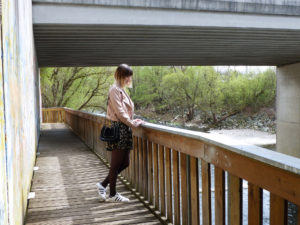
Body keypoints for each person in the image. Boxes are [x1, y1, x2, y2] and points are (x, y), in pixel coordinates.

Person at [96, 64, 144, 202]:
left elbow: (126, 112)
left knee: (125, 163)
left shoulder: (121, 90)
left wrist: (134, 120)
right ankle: (112, 194)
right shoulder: (114, 90)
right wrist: (131, 123)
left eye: (130, 76)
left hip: (125, 128)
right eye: (127, 76)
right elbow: (119, 112)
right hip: (119, 129)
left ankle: (103, 184)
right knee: (116, 164)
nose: (129, 78)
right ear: (120, 76)